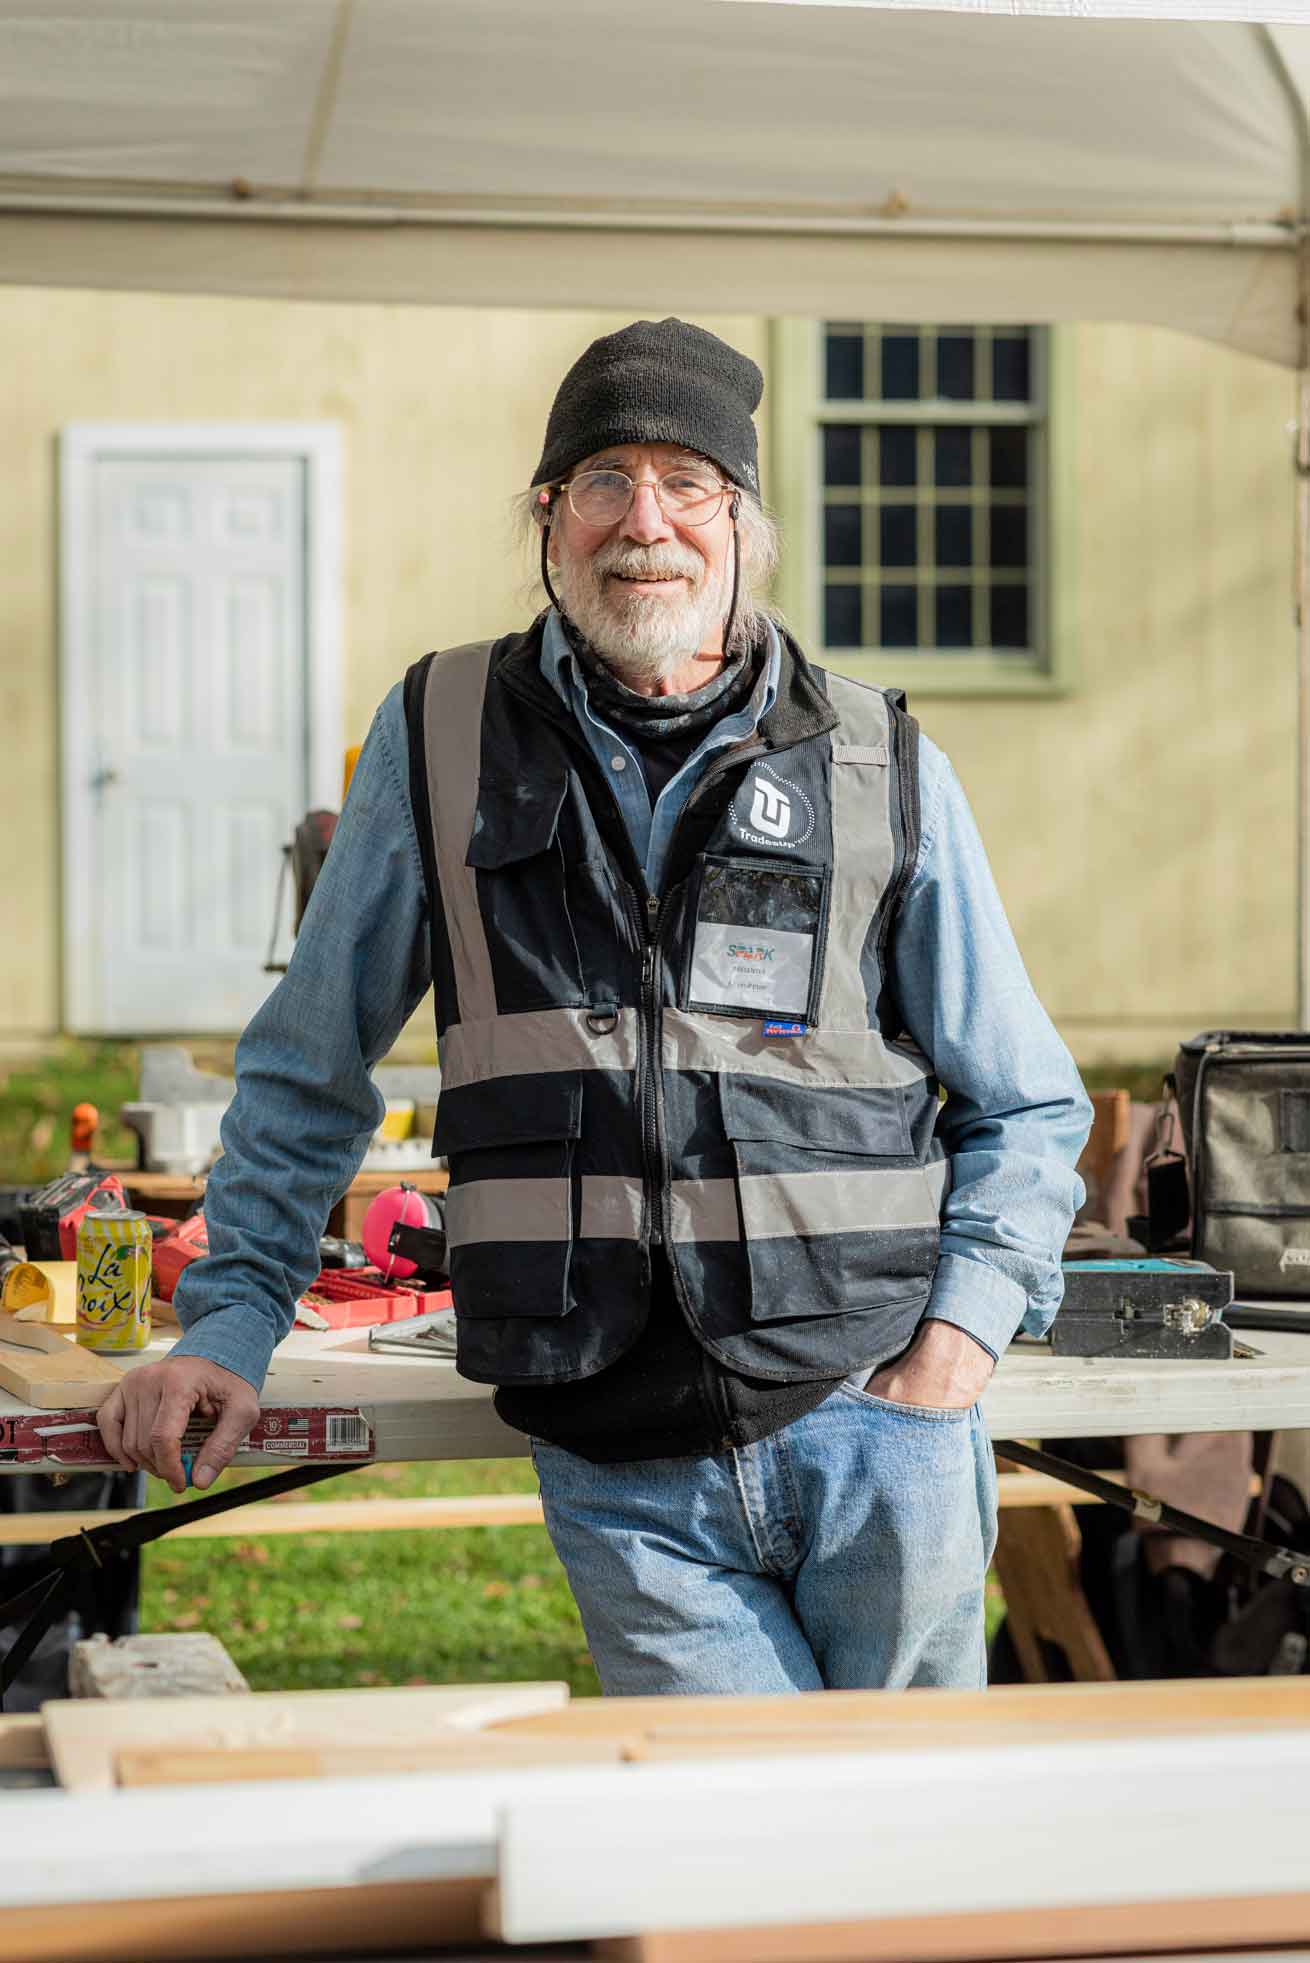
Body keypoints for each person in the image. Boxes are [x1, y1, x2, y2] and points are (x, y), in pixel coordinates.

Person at [98, 318, 1091, 1695]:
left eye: (688, 485)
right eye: (603, 480)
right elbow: (306, 1063)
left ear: (743, 527)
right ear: (548, 519)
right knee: (723, 1867)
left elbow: (1030, 1098)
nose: (647, 523)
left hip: (873, 1427)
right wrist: (229, 1323)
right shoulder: (441, 732)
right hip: (616, 1449)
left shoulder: (878, 756)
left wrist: (959, 1336)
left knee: (903, 1855)